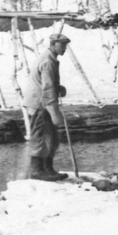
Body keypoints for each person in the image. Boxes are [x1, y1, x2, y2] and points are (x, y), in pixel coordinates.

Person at [22, 32, 71, 181]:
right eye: (62, 45)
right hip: (40, 104)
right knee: (41, 137)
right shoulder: (47, 61)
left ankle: (48, 169)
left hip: (43, 103)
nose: (64, 48)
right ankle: (37, 171)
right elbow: (47, 90)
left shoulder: (51, 59)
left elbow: (49, 85)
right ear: (53, 44)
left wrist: (58, 88)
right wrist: (56, 114)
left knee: (52, 138)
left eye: (65, 45)